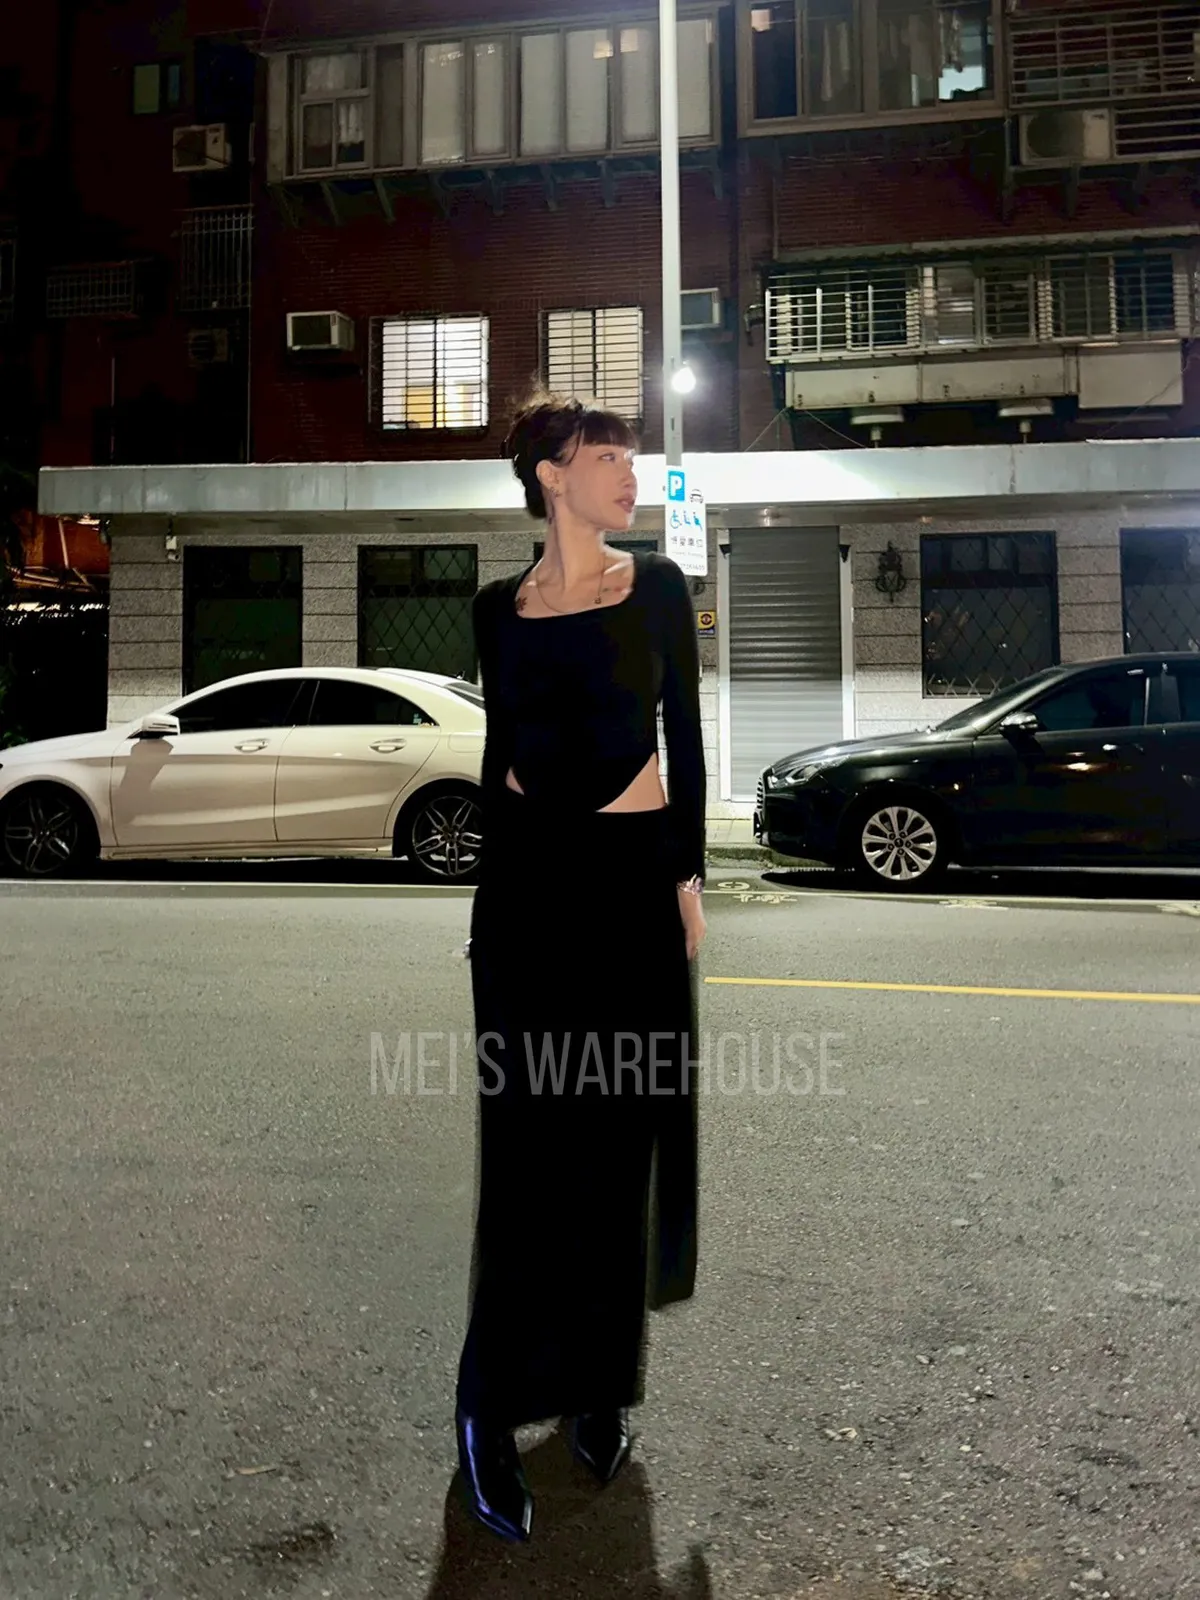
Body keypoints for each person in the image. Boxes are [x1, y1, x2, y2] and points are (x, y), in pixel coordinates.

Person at [454, 392, 708, 1544]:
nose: (629, 475)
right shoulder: (494, 610)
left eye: (631, 459)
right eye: (608, 457)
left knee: (616, 1151)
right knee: (525, 1160)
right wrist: (489, 903)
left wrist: (685, 875)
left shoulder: (657, 588)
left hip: (630, 887)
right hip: (527, 894)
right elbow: (500, 755)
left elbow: (684, 738)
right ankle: (488, 1406)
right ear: (552, 475)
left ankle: (598, 1387)